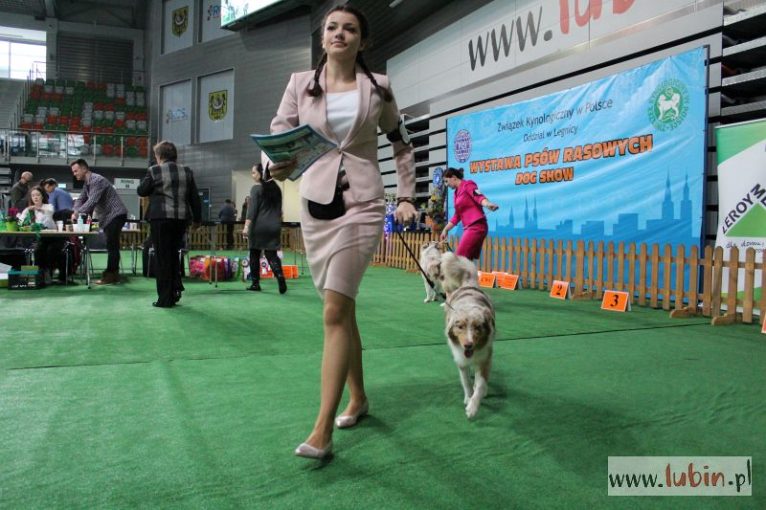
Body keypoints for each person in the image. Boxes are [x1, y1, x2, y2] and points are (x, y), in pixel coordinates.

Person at [265, 4, 416, 459]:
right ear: (323, 37)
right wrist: (274, 163)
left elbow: (400, 142)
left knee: (334, 310)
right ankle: (360, 398)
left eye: (350, 29)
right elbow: (278, 134)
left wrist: (406, 195)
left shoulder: (380, 87)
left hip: (364, 206)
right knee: (342, 311)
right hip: (315, 206)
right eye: (332, 27)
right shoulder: (299, 84)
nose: (339, 33)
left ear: (362, 41)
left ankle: (321, 431)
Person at [137, 141, 202, 308]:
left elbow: (141, 190)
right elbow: (195, 198)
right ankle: (175, 291)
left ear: (159, 156)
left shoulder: (154, 170)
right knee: (174, 255)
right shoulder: (187, 171)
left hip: (160, 219)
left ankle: (165, 299)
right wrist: (197, 220)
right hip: (180, 220)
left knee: (162, 258)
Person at [70, 159, 128, 285]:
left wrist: (77, 213)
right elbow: (80, 199)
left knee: (112, 245)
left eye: (76, 171)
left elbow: (92, 201)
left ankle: (111, 274)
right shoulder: (87, 184)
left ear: (84, 169)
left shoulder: (97, 180)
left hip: (116, 214)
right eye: (73, 172)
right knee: (111, 245)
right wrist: (75, 210)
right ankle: (113, 274)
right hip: (108, 217)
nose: (74, 174)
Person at [242, 164, 286, 293]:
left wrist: (246, 227)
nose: (252, 175)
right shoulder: (277, 189)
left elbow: (252, 210)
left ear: (261, 174)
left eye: (254, 173)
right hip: (274, 226)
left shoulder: (256, 189)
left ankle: (255, 283)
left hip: (258, 227)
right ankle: (280, 276)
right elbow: (280, 211)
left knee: (254, 253)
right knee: (271, 254)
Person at [439, 167, 499, 260]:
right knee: (466, 261)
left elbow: (478, 196)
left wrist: (487, 204)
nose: (446, 185)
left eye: (446, 181)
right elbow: (457, 216)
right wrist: (445, 229)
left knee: (460, 259)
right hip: (469, 228)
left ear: (454, 177)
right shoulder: (456, 194)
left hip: (477, 227)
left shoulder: (468, 184)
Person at [18, 186, 69, 284]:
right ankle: (41, 275)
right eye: (33, 195)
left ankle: (49, 272)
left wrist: (38, 209)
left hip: (54, 238)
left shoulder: (48, 206)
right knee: (38, 250)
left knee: (51, 250)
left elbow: (49, 214)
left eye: (38, 195)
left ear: (42, 196)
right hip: (40, 238)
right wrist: (25, 212)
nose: (35, 197)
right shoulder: (29, 210)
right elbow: (20, 223)